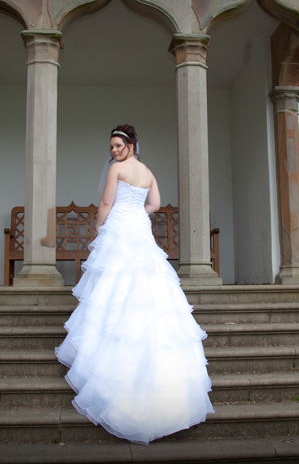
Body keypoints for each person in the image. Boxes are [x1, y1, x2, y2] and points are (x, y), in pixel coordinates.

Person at [55, 124, 214, 445]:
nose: (113, 151)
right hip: (139, 229)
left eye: (117, 145)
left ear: (130, 145)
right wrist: (136, 213)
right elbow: (155, 204)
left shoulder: (117, 169)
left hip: (119, 230)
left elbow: (105, 203)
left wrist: (101, 228)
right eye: (111, 147)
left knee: (114, 292)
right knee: (146, 290)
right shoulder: (147, 171)